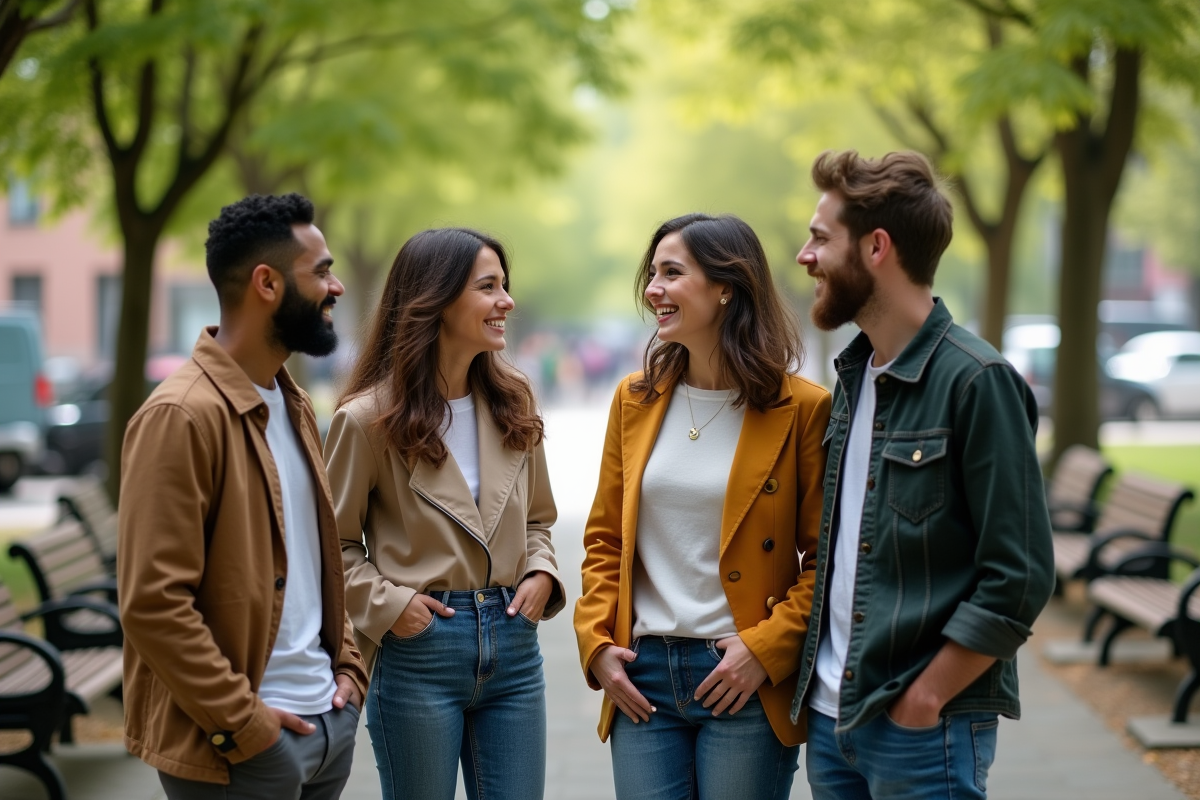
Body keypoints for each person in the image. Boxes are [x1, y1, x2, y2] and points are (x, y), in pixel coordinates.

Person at [790, 150, 1055, 800]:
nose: (804, 255)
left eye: (821, 237)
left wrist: (928, 694)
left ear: (876, 247)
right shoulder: (853, 380)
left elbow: (1018, 576)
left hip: (920, 729)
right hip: (831, 721)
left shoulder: (976, 381)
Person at [118, 193, 369, 800]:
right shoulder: (180, 415)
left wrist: (350, 671)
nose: (335, 288)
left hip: (325, 725)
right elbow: (153, 603)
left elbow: (321, 558)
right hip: (239, 751)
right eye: (321, 272)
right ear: (266, 283)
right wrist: (244, 725)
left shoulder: (295, 404)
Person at [574, 213, 831, 800]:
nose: (653, 290)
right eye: (652, 274)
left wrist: (766, 650)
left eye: (671, 273)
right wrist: (595, 644)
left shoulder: (803, 409)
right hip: (643, 677)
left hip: (741, 679)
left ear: (726, 288)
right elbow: (606, 540)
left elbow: (828, 559)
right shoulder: (633, 400)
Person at [324, 227, 563, 800]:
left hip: (515, 650)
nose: (506, 301)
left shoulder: (515, 403)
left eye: (505, 286)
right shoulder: (366, 421)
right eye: (488, 287)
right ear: (436, 299)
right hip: (419, 651)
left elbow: (538, 521)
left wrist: (542, 571)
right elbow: (330, 546)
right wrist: (392, 605)